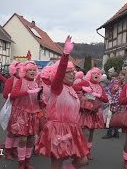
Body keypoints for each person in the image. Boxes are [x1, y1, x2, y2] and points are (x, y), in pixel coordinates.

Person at [35, 36, 89, 169]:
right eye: (68, 72)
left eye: (73, 72)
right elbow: (59, 73)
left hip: (73, 129)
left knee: (83, 160)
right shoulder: (57, 87)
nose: (72, 74)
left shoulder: (72, 89)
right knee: (57, 162)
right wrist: (65, 55)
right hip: (57, 129)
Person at [8, 60, 41, 169]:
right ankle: (21, 163)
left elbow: (38, 101)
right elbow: (12, 95)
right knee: (22, 139)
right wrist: (26, 92)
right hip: (22, 113)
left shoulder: (36, 83)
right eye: (29, 70)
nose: (32, 72)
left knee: (31, 139)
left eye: (34, 70)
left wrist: (42, 99)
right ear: (24, 72)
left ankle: (27, 161)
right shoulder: (20, 81)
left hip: (33, 114)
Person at [74, 67, 109, 160]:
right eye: (94, 73)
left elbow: (106, 99)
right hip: (85, 112)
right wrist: (82, 88)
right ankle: (82, 152)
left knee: (91, 133)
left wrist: (99, 95)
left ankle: (87, 151)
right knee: (85, 133)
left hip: (94, 113)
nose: (97, 75)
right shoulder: (86, 82)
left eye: (98, 74)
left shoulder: (100, 86)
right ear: (90, 75)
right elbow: (73, 87)